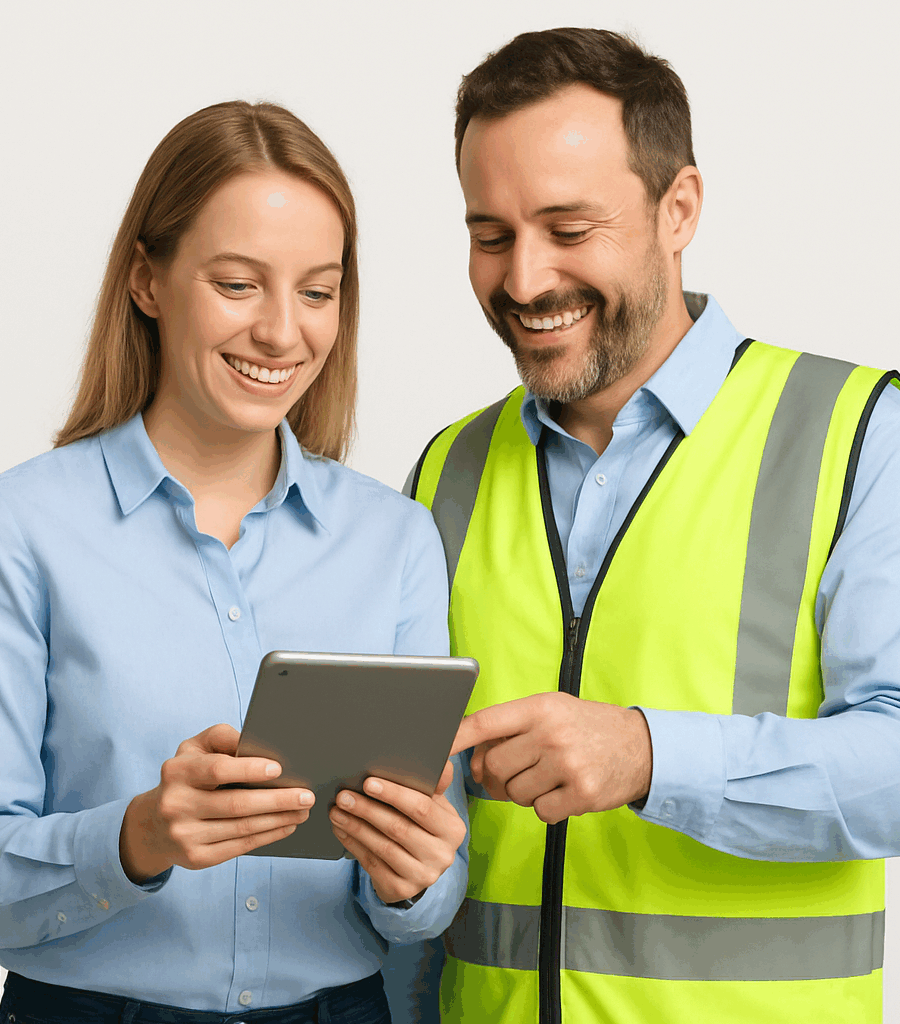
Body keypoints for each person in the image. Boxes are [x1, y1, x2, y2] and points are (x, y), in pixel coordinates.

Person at [403, 28, 900, 1024]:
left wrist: (648, 755)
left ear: (680, 209)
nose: (524, 281)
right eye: (491, 235)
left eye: (568, 227)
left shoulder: (857, 432)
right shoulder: (443, 470)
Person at [0, 100, 467, 1024]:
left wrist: (416, 878)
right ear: (147, 280)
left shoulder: (396, 540)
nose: (282, 333)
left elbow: (430, 895)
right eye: (239, 284)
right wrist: (137, 837)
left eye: (318, 292)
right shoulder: (25, 525)